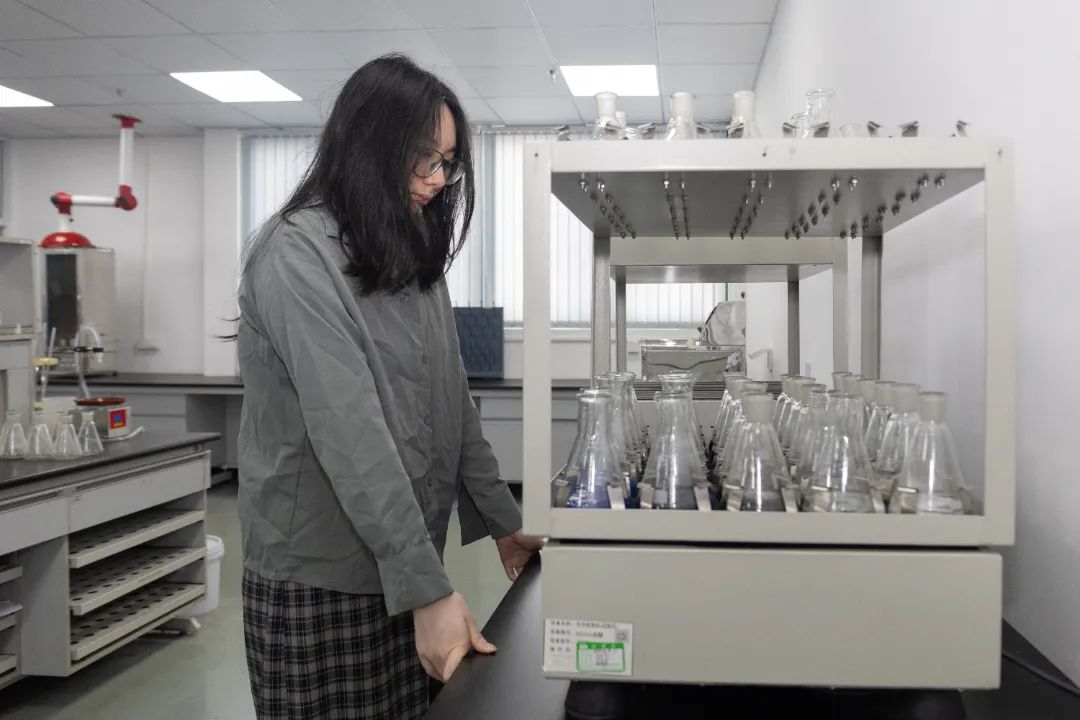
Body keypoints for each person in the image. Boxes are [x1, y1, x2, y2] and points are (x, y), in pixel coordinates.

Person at [235, 54, 542, 719]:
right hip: (321, 582)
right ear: (367, 146)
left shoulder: (407, 253)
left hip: (405, 563)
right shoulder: (296, 255)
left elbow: (451, 401)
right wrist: (427, 589)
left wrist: (504, 522)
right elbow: (351, 432)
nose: (437, 180)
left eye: (447, 162)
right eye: (423, 158)